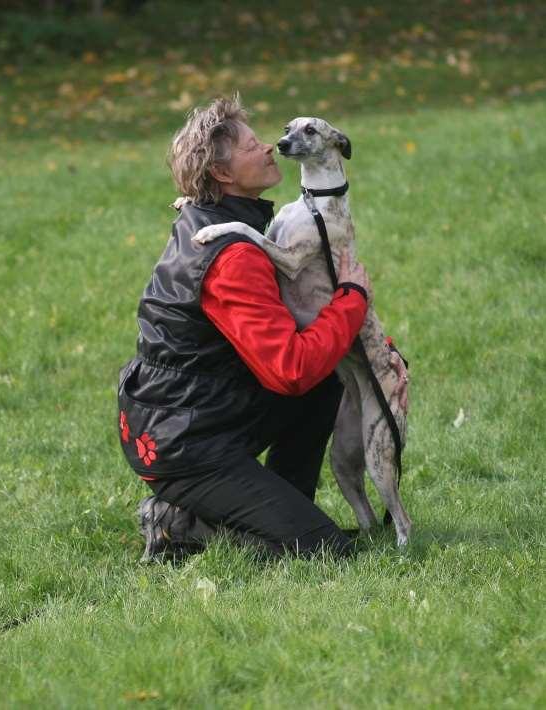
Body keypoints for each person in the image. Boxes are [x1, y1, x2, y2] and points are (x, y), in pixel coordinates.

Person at [117, 95, 408, 562]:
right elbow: (289, 368)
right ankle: (178, 521)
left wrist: (381, 360)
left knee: (324, 383)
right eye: (254, 146)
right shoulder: (234, 257)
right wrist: (351, 297)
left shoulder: (210, 215)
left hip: (199, 411)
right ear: (224, 174)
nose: (271, 146)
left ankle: (280, 508)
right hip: (183, 442)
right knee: (325, 552)